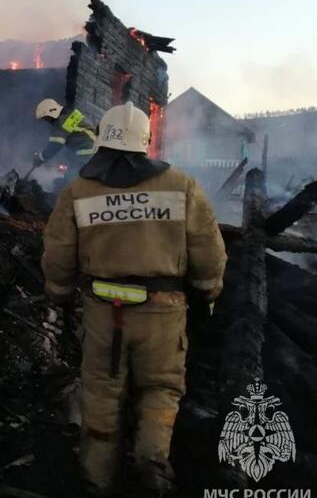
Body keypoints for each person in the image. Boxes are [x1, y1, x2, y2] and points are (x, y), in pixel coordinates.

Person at [41, 101, 227, 496]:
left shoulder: (78, 191)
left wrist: (57, 295)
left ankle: (96, 480)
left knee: (102, 393)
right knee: (160, 389)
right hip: (165, 313)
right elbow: (208, 249)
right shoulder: (182, 186)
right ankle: (152, 465)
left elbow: (58, 253)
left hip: (104, 313)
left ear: (103, 140)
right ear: (146, 142)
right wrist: (208, 291)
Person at [32, 99, 97, 178]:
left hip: (87, 151)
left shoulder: (61, 121)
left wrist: (41, 158)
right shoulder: (69, 114)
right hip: (93, 149)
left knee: (71, 179)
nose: (48, 121)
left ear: (52, 112)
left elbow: (56, 144)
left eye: (46, 118)